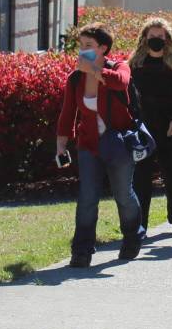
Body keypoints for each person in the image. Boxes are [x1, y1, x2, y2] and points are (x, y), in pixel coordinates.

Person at [56, 23, 144, 268]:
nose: (82, 50)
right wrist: (61, 145)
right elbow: (67, 114)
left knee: (123, 194)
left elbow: (120, 83)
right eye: (80, 45)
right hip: (88, 145)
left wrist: (95, 71)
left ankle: (132, 236)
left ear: (103, 48)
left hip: (118, 144)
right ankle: (82, 250)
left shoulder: (118, 67)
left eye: (89, 46)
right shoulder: (75, 79)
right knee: (87, 197)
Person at [129, 18, 172, 235]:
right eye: (152, 37)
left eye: (160, 37)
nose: (156, 41)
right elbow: (128, 97)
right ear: (144, 39)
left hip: (170, 128)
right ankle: (140, 224)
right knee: (140, 179)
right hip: (143, 130)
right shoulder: (135, 65)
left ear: (167, 39)